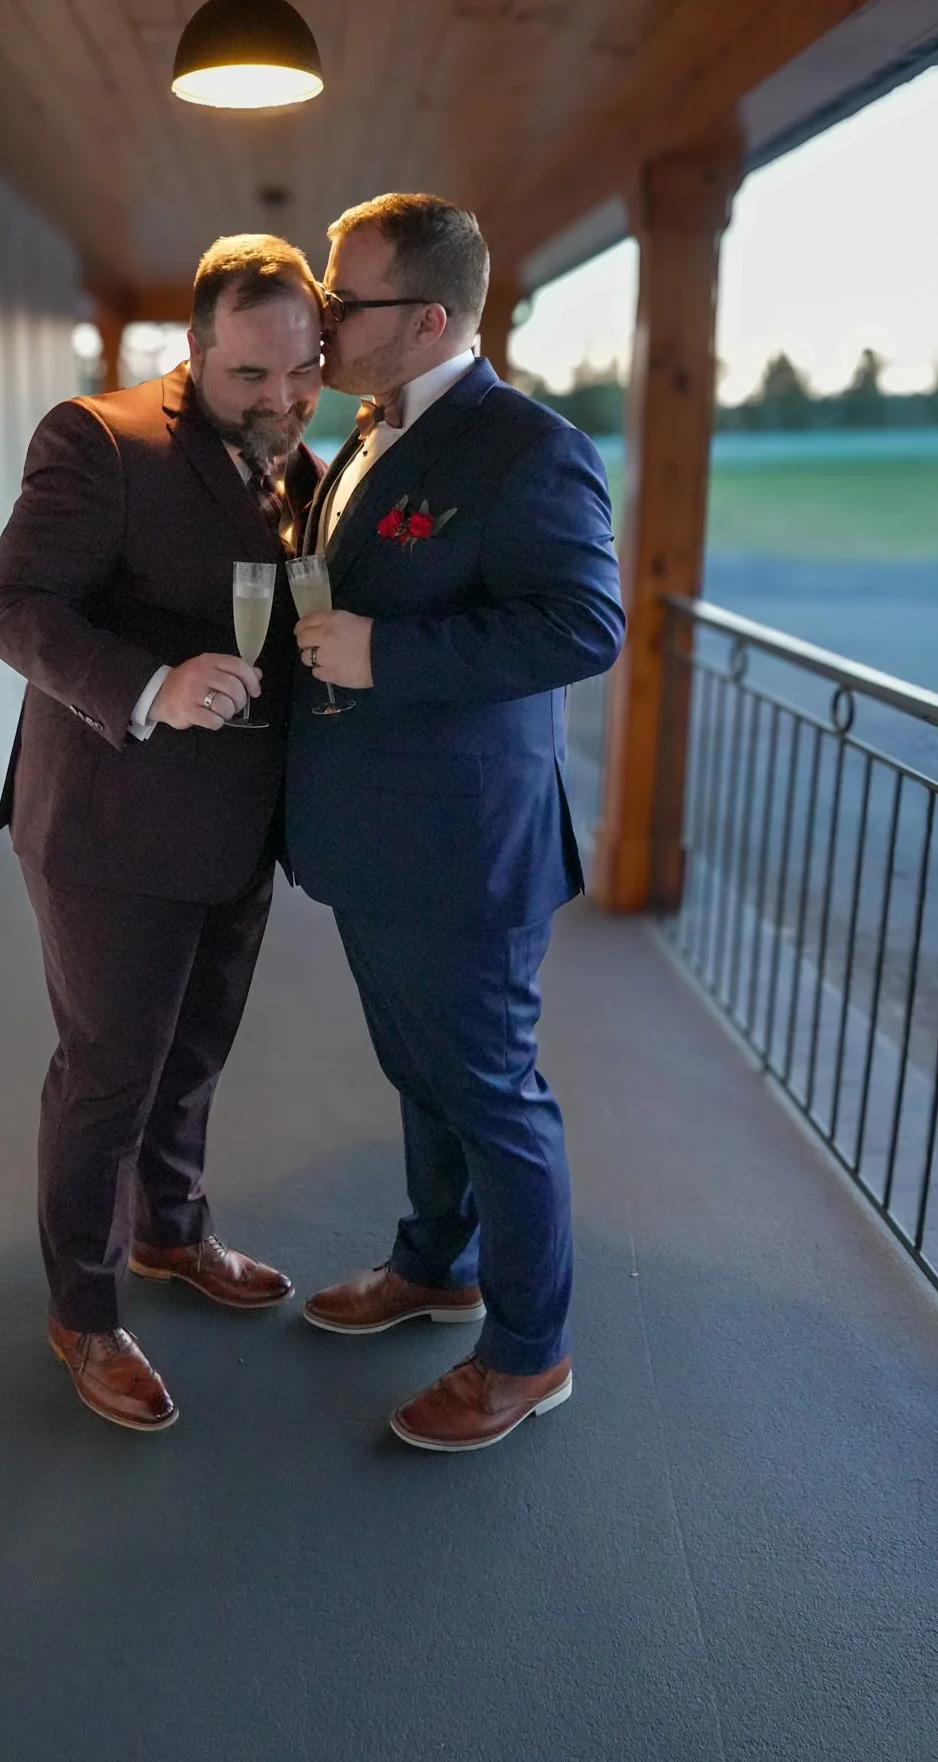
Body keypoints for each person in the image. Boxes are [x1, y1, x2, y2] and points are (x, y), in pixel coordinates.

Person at [286, 193, 625, 1452]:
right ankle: (436, 1264)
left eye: (343, 296)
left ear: (428, 319)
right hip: (370, 835)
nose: (322, 315)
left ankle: (531, 1352)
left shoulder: (528, 448)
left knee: (491, 1092)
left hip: (464, 847)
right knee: (421, 1070)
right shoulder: (368, 429)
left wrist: (389, 652)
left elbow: (584, 624)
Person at [0, 235, 324, 1434]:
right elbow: (13, 607)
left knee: (195, 1053)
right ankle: (83, 1308)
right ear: (196, 348)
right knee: (109, 1071)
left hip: (237, 829)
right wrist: (150, 685)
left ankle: (172, 1232)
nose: (280, 398)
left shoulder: (300, 461)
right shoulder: (99, 438)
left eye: (303, 371)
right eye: (251, 374)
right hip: (109, 827)